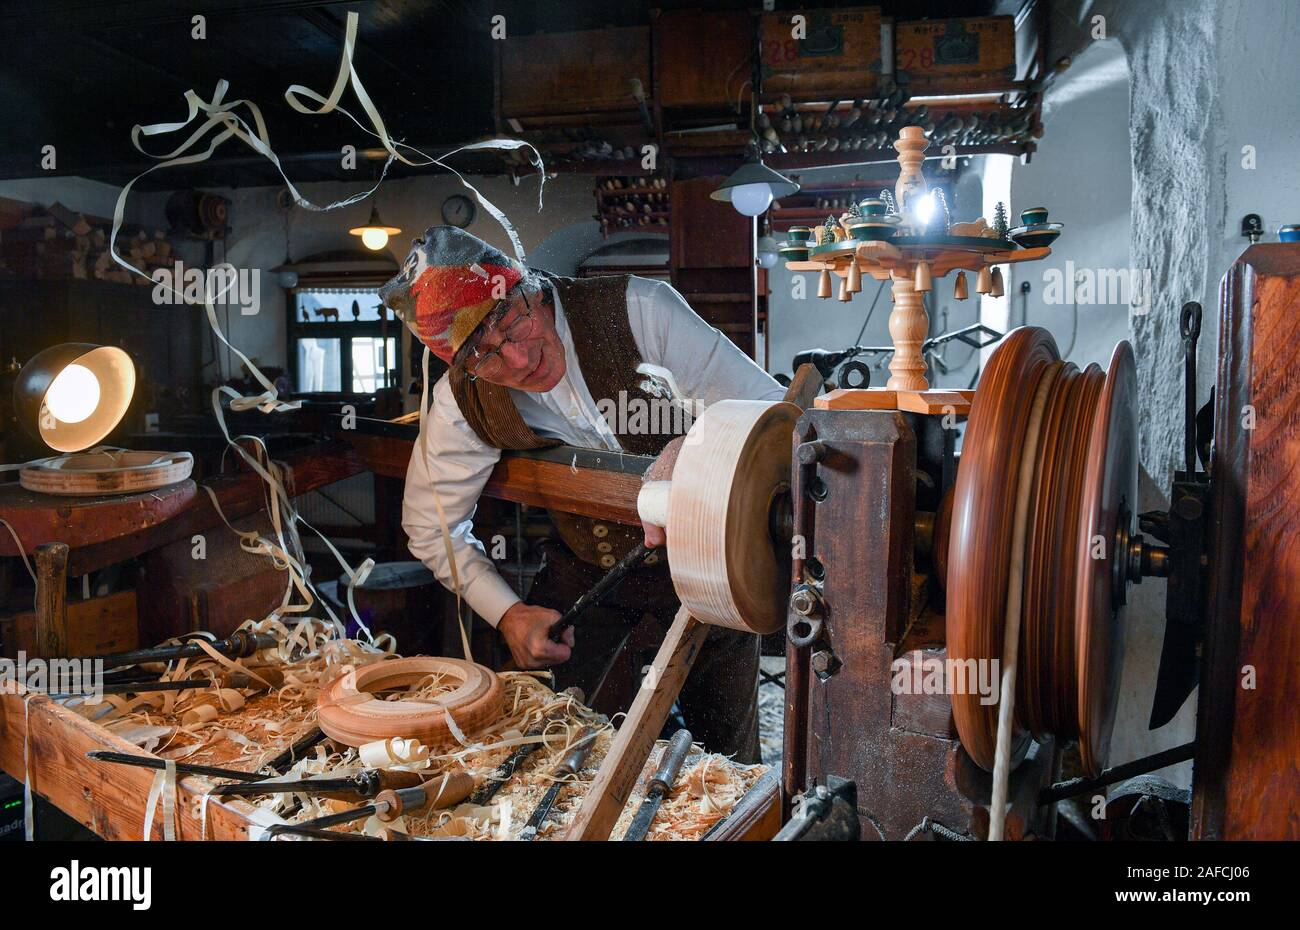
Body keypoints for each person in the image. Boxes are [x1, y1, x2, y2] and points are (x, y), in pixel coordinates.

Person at [380, 226, 783, 761]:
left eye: (514, 320)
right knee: (576, 750)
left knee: (725, 763)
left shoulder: (640, 311)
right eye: (487, 355)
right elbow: (430, 524)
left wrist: (699, 441)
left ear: (530, 288)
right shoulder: (464, 399)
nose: (519, 360)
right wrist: (507, 613)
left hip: (706, 567)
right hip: (587, 579)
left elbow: (772, 411)